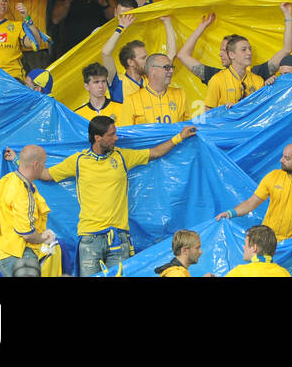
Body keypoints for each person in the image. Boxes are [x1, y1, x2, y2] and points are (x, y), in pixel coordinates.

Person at [14, 115, 196, 276]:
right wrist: (17, 160)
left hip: (119, 237)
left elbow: (154, 153)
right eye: (111, 134)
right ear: (97, 137)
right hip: (89, 238)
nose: (116, 138)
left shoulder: (122, 156)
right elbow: (45, 175)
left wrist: (179, 137)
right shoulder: (79, 161)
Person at [216, 142, 292, 241]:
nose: (281, 160)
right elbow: (251, 203)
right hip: (265, 241)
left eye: (287, 158)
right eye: (282, 156)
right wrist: (229, 213)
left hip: (291, 245)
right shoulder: (273, 176)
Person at [0, 145, 56, 277]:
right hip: (21, 255)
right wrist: (44, 238)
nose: (44, 167)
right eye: (44, 163)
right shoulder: (23, 191)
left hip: (6, 254)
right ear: (36, 164)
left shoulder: (7, 180)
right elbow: (26, 233)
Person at [225, 224, 292, 277]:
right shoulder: (283, 273)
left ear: (254, 248)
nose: (243, 247)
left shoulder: (240, 272)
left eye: (245, 244)